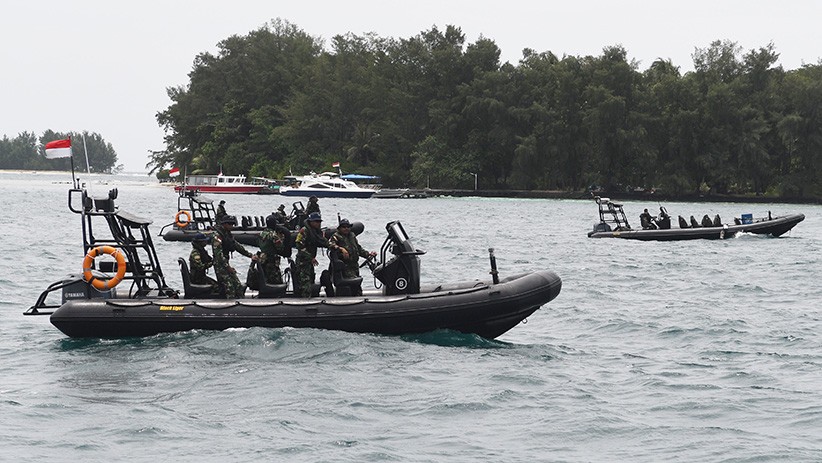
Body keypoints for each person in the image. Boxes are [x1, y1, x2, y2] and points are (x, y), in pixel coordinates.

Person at [294, 212, 347, 297]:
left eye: (319, 221)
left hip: (310, 263)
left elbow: (325, 242)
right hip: (303, 263)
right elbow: (299, 246)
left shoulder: (316, 232)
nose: (318, 223)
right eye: (316, 221)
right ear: (311, 222)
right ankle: (305, 299)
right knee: (305, 285)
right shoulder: (304, 231)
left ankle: (311, 297)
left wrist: (338, 248)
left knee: (311, 280)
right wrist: (310, 257)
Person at [211, 215, 256, 298]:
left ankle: (239, 299)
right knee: (229, 287)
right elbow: (218, 255)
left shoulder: (227, 234)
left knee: (238, 285)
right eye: (229, 224)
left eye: (232, 224)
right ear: (224, 224)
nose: (231, 226)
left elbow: (236, 246)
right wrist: (227, 267)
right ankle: (229, 301)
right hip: (220, 265)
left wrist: (250, 255)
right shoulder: (217, 236)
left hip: (225, 263)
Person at [330, 218, 377, 283]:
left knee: (357, 284)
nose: (346, 228)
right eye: (344, 227)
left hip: (354, 266)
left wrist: (368, 254)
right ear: (339, 228)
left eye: (348, 227)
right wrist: (341, 249)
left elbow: (358, 249)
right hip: (345, 267)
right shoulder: (336, 236)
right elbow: (331, 245)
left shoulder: (352, 236)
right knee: (353, 283)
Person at [257, 214, 290, 285]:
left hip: (262, 259)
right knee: (276, 281)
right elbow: (280, 248)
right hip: (271, 261)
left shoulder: (261, 233)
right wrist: (282, 239)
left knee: (264, 278)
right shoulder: (273, 235)